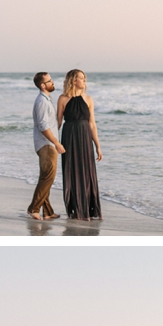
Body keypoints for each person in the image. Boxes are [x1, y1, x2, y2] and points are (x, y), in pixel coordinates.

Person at [57, 70, 102, 220]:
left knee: (87, 172)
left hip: (84, 137)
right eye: (82, 78)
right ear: (73, 80)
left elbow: (92, 124)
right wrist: (54, 142)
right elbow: (57, 123)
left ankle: (88, 209)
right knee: (72, 172)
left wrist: (97, 146)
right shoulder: (63, 99)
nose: (84, 81)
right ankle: (76, 209)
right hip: (69, 136)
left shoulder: (88, 99)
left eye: (84, 78)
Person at [28, 73, 64, 220]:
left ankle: (48, 212)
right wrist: (56, 143)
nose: (52, 82)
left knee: (46, 178)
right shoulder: (42, 102)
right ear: (43, 85)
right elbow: (43, 126)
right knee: (47, 178)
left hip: (46, 145)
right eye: (49, 81)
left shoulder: (46, 100)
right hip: (47, 145)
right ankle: (33, 208)